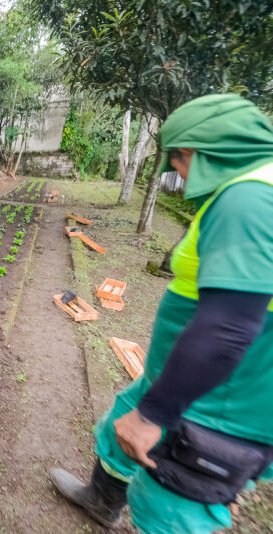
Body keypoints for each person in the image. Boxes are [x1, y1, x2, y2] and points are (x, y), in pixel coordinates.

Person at [50, 94, 273, 533]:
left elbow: (227, 328)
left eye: (179, 159)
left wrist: (154, 416)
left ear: (203, 151)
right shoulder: (249, 187)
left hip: (223, 402)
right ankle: (100, 500)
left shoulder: (250, 200)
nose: (178, 172)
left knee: (173, 505)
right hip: (186, 377)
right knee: (119, 424)